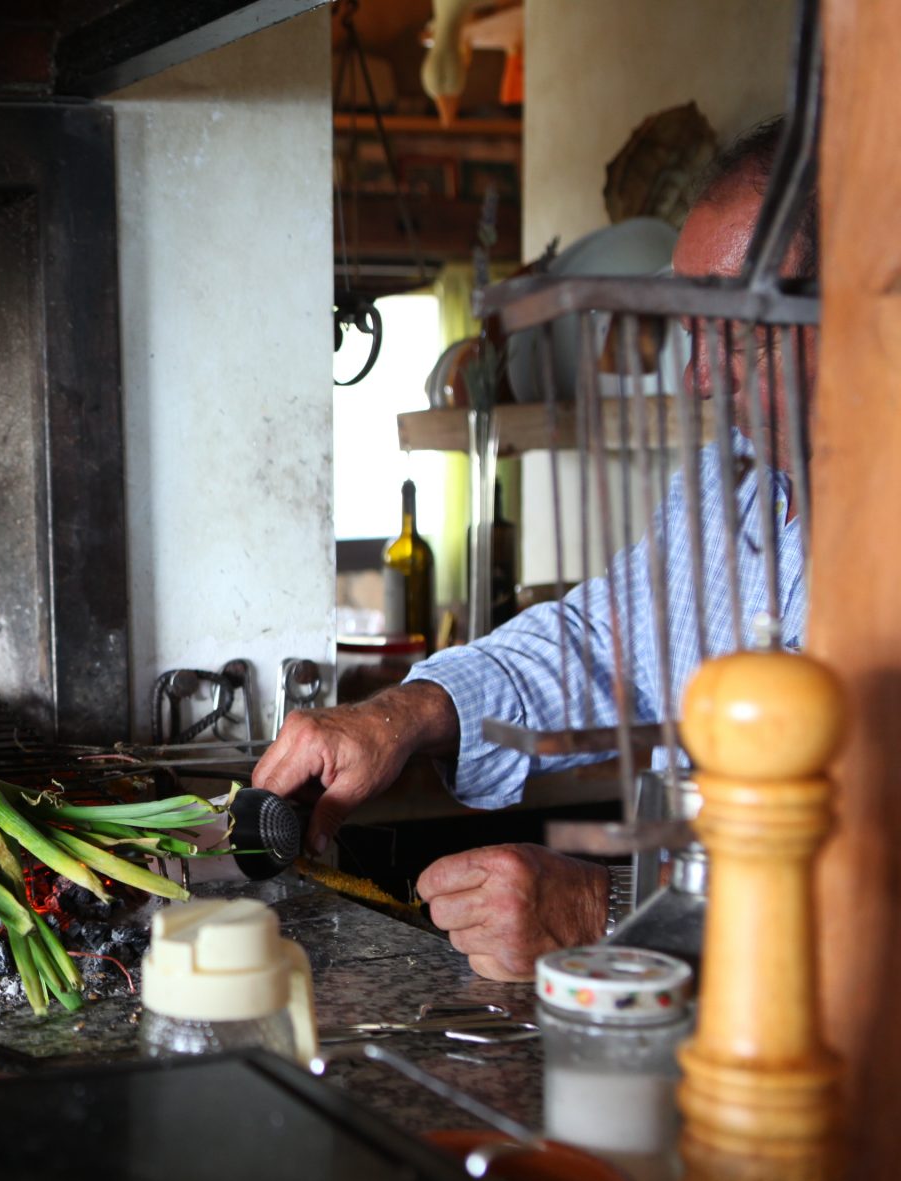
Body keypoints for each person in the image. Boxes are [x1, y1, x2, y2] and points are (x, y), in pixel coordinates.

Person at [251, 118, 813, 981]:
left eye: (736, 331)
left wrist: (610, 912)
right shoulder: (727, 486)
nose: (701, 378)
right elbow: (600, 644)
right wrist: (401, 716)